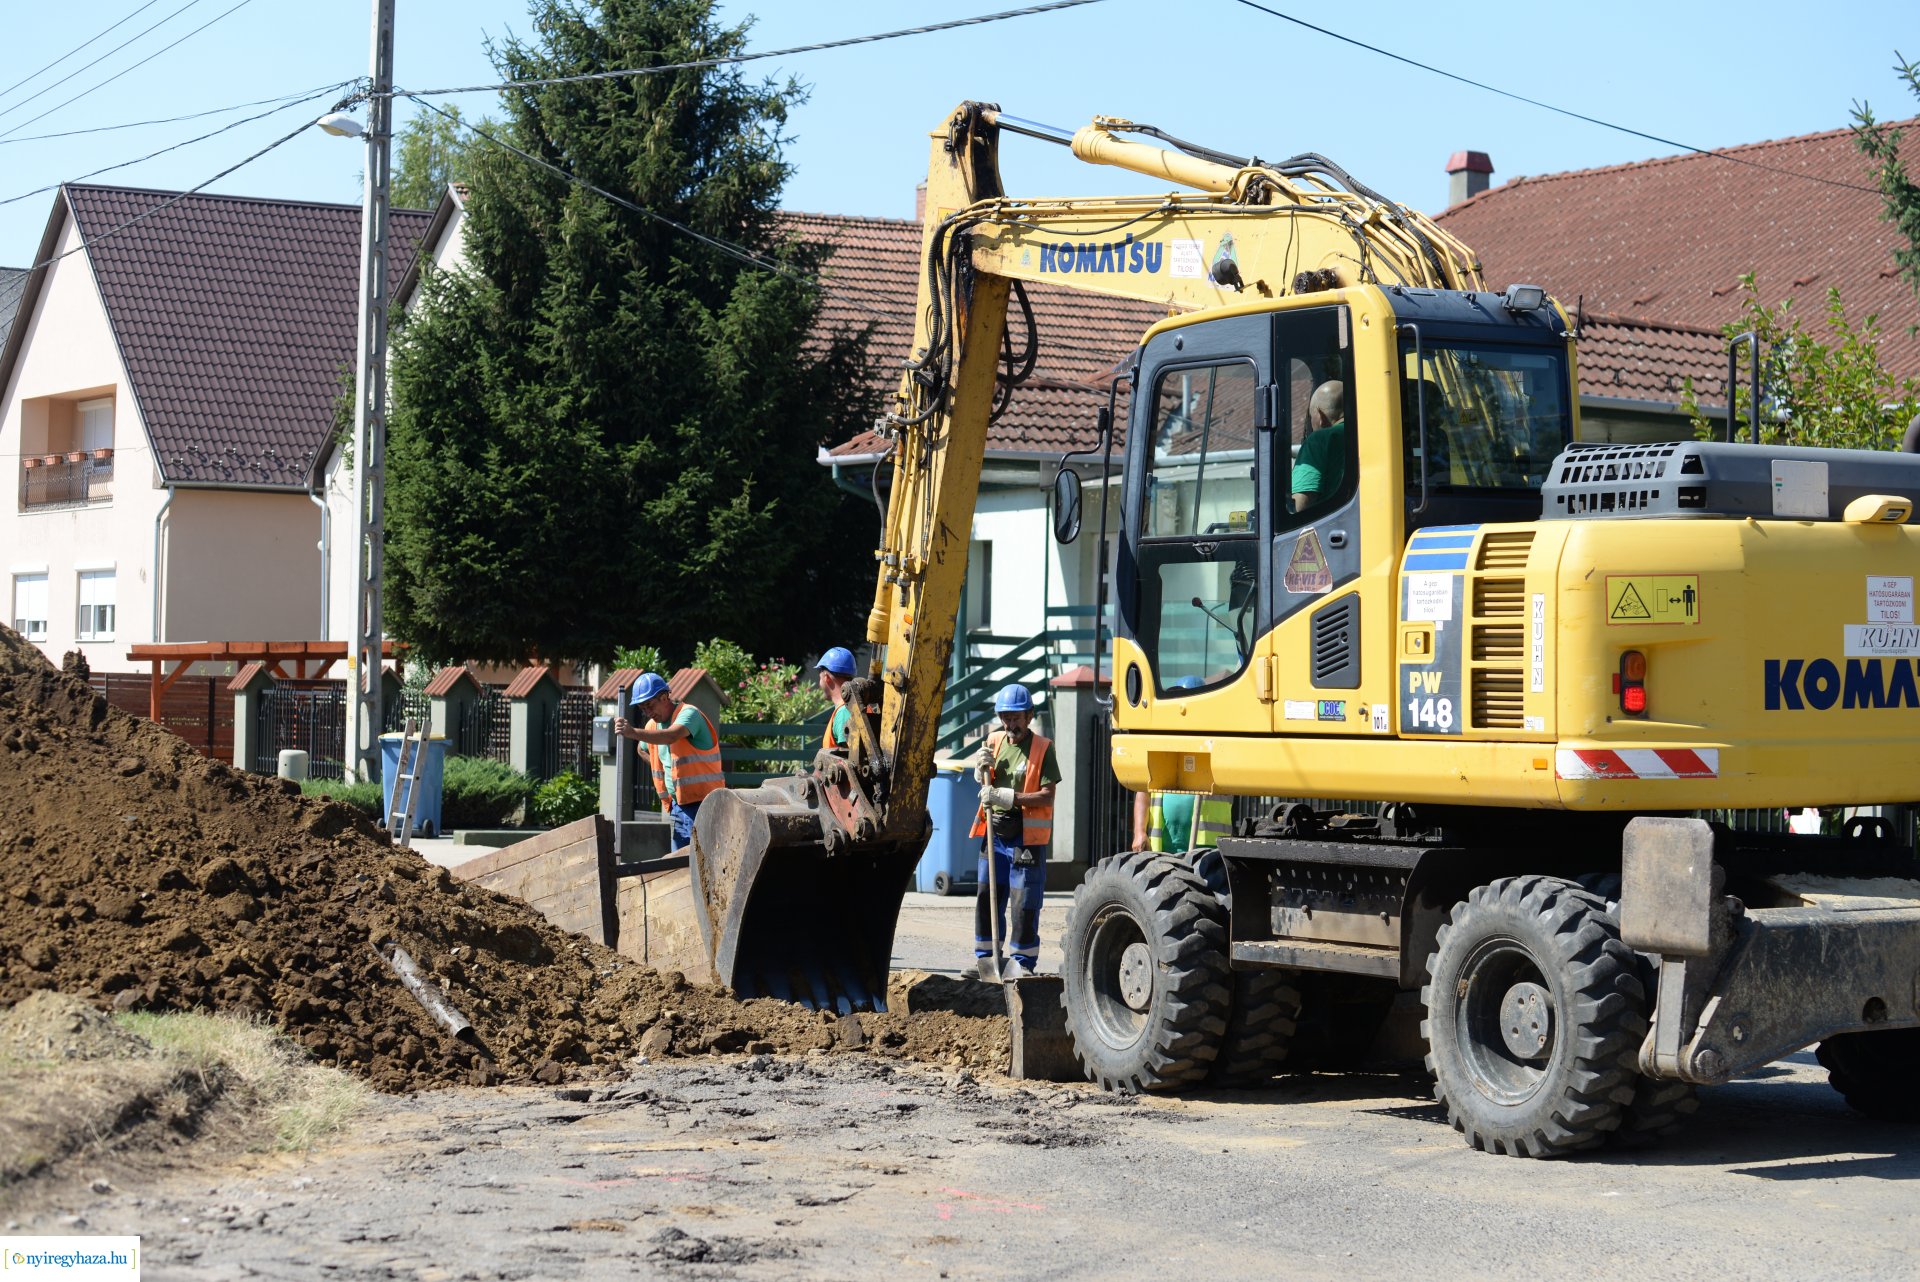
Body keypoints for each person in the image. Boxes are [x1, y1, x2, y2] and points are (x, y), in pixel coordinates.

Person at [967, 683, 1060, 978]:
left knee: (1024, 903)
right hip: (994, 834)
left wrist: (1009, 797)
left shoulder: (1043, 748)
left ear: (1029, 715)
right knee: (987, 897)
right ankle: (987, 959)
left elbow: (1047, 795)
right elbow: (986, 780)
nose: (1010, 724)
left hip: (1026, 838)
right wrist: (978, 772)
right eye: (1005, 717)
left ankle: (1023, 963)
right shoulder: (994, 741)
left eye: (1016, 717)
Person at [612, 671, 724, 849]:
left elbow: (672, 735)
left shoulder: (689, 714)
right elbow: (641, 749)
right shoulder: (652, 726)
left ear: (664, 697)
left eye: (649, 705)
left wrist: (632, 732)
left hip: (706, 803)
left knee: (704, 863)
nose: (648, 712)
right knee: (679, 865)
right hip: (679, 806)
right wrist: (666, 768)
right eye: (642, 708)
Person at [1130, 678, 1234, 853]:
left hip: (1206, 845)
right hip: (1163, 844)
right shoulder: (1161, 742)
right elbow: (1144, 791)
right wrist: (1139, 832)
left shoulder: (1218, 743)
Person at [1292, 379, 1347, 511]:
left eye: (1311, 418)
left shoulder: (1320, 440)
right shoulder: (1367, 433)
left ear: (1320, 416)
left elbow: (1300, 506)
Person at [815, 646, 857, 749]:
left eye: (820, 679)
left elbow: (849, 759)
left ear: (826, 678)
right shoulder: (850, 707)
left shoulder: (844, 712)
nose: (819, 684)